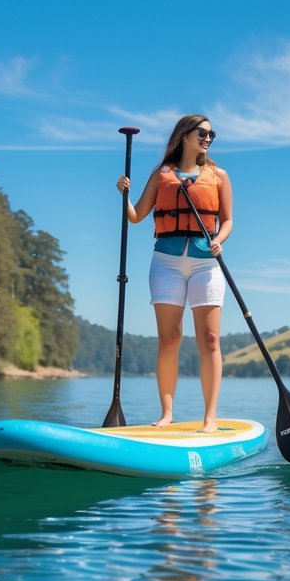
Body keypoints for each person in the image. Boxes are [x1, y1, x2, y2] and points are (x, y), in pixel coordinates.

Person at [116, 114, 232, 432]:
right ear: (184, 135)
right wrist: (124, 194)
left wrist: (219, 240)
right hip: (166, 262)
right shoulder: (162, 174)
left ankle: (210, 418)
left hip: (206, 264)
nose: (208, 138)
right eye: (203, 133)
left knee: (209, 340)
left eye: (212, 134)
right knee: (169, 339)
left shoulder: (219, 175)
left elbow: (228, 221)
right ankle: (167, 414)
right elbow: (137, 216)